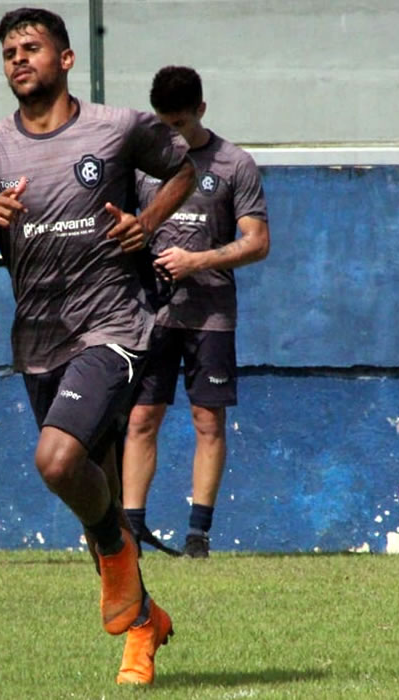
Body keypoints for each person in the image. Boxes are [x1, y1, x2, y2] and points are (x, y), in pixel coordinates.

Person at [0, 8, 196, 686]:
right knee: (94, 495)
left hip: (113, 325)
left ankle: (118, 559)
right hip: (39, 340)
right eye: (9, 52)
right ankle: (143, 626)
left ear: (65, 58)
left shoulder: (115, 128)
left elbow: (183, 169)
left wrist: (146, 222)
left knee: (57, 461)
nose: (18, 59)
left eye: (31, 47)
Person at [122, 66, 270, 559]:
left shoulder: (234, 163)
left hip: (211, 315)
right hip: (151, 314)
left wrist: (196, 261)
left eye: (180, 124)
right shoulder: (141, 164)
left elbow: (258, 242)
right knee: (141, 418)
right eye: (163, 124)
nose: (172, 135)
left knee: (208, 421)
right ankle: (131, 530)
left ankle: (198, 535)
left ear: (201, 111)